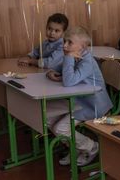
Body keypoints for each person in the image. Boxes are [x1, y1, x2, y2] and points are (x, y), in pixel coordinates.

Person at [46, 26, 113, 166]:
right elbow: (55, 69)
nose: (64, 45)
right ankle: (76, 148)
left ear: (83, 46)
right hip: (78, 101)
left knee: (60, 128)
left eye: (69, 42)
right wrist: (51, 72)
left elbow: (68, 82)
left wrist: (68, 58)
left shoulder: (87, 61)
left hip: (94, 106)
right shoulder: (73, 55)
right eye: (64, 41)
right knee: (46, 116)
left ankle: (91, 147)